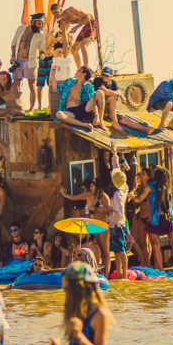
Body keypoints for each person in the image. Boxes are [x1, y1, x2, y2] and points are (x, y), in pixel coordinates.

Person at [60, 177, 111, 273]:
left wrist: (100, 210)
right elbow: (74, 198)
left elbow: (109, 212)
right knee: (98, 248)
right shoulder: (89, 195)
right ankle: (100, 272)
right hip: (94, 226)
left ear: (97, 186)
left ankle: (107, 275)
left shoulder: (104, 197)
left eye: (92, 186)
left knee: (105, 252)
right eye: (90, 186)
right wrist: (64, 194)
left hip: (103, 225)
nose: (90, 188)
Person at [9, 12, 46, 111]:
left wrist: (42, 55)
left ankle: (31, 109)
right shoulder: (21, 29)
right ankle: (16, 107)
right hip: (18, 61)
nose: (40, 26)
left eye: (41, 24)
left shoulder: (41, 35)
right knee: (16, 84)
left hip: (31, 63)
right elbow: (14, 43)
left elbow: (42, 49)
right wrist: (12, 56)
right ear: (33, 22)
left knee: (32, 84)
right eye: (39, 23)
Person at [147, 167, 173, 271]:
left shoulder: (151, 187)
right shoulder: (167, 189)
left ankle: (162, 268)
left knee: (157, 244)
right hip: (167, 217)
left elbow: (141, 198)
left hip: (157, 218)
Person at [55, 66, 105, 132]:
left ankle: (101, 121)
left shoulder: (88, 85)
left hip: (84, 108)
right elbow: (55, 89)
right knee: (59, 114)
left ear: (84, 74)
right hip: (71, 112)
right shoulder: (70, 82)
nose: (77, 70)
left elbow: (92, 100)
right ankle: (84, 125)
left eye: (79, 70)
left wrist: (96, 115)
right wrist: (53, 74)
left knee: (100, 93)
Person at [106, 143, 129, 278]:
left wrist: (109, 211)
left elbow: (119, 213)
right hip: (116, 224)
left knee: (121, 250)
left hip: (118, 224)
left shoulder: (118, 195)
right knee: (116, 249)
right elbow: (117, 168)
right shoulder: (124, 186)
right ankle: (119, 272)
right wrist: (114, 153)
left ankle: (124, 274)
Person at [49, 2, 96, 69]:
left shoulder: (72, 10)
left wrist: (75, 27)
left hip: (92, 23)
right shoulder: (63, 22)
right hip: (85, 26)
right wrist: (64, 59)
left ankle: (86, 67)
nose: (55, 15)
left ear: (61, 10)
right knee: (73, 49)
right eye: (53, 13)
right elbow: (65, 41)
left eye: (56, 12)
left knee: (83, 45)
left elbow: (88, 17)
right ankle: (79, 69)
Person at [48, 41, 73, 110]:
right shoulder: (55, 34)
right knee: (50, 83)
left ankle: (63, 107)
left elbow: (71, 47)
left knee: (62, 83)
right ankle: (50, 107)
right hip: (56, 61)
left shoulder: (68, 37)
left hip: (65, 61)